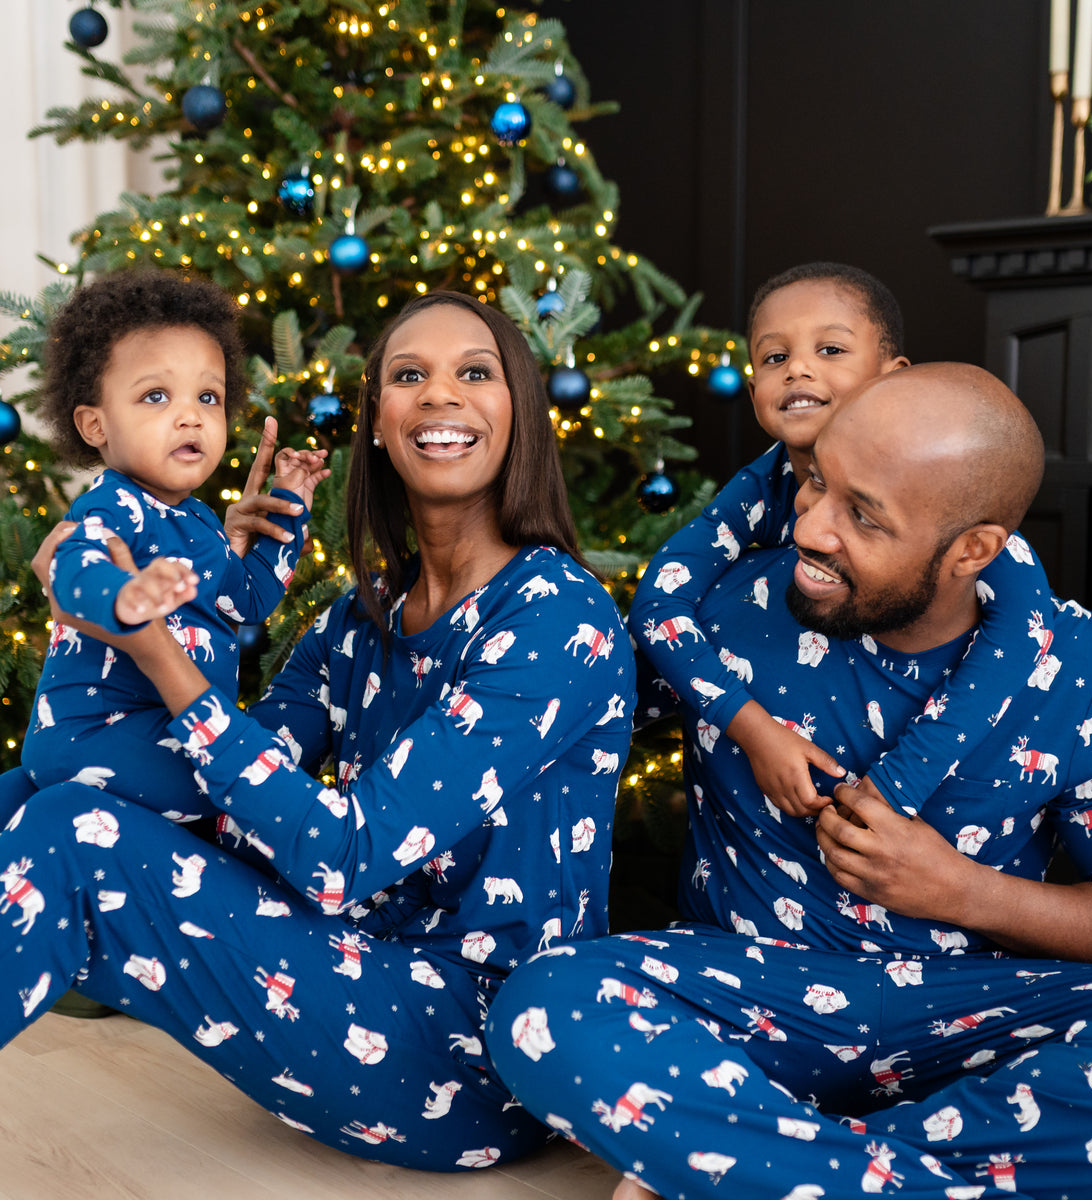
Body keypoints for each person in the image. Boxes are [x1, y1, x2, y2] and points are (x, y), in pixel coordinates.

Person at [488, 363, 1092, 1199]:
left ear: (972, 551)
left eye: (862, 515)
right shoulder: (724, 616)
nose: (811, 529)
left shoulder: (1081, 668)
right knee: (544, 1006)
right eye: (817, 481)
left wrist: (966, 892)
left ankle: (754, 1162)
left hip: (965, 1017)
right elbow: (552, 717)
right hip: (742, 998)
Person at [2, 290, 635, 1171]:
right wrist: (198, 590)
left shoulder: (559, 617)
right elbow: (228, 790)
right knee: (29, 796)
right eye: (410, 376)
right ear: (378, 421)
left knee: (73, 837)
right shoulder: (358, 621)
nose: (442, 396)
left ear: (518, 413)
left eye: (476, 374)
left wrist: (155, 650)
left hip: (475, 1052)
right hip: (349, 967)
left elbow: (342, 852)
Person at [630, 263, 1056, 820]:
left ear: (893, 375)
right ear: (754, 385)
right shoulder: (761, 486)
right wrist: (753, 730)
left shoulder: (962, 524)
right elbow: (661, 600)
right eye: (774, 357)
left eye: (830, 350)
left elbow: (1022, 636)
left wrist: (895, 789)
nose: (798, 369)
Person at [18, 269, 326, 820]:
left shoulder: (203, 520)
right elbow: (69, 565)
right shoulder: (114, 503)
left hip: (166, 732)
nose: (191, 415)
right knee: (246, 795)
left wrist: (293, 503)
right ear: (95, 425)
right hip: (98, 733)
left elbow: (246, 600)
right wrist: (126, 596)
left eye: (208, 396)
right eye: (156, 396)